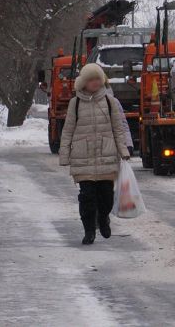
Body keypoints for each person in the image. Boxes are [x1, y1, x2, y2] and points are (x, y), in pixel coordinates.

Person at [59, 63, 130, 245]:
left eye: (98, 78)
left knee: (106, 196)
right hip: (83, 158)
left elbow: (118, 128)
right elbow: (68, 130)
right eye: (91, 79)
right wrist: (64, 154)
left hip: (106, 155)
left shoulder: (109, 101)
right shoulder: (75, 104)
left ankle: (103, 218)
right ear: (83, 82)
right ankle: (89, 230)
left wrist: (123, 150)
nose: (95, 82)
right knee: (87, 197)